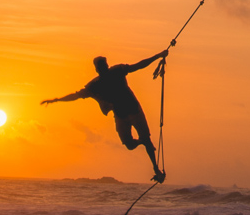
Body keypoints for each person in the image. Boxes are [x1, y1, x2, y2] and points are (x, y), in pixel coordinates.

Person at [41, 50, 168, 181]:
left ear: (107, 66)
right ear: (97, 69)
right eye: (100, 67)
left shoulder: (118, 70)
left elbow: (138, 65)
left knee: (146, 139)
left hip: (134, 110)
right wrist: (56, 100)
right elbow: (76, 96)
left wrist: (158, 56)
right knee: (129, 145)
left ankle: (155, 168)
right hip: (120, 116)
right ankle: (142, 142)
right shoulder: (94, 86)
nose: (103, 68)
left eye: (104, 65)